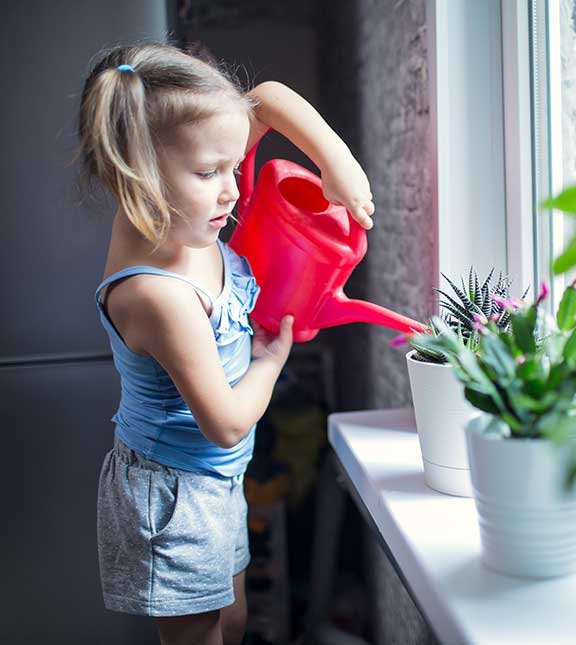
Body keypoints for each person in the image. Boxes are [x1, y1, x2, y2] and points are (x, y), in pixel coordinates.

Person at [77, 42, 374, 645]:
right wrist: (272, 359)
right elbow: (229, 423)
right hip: (174, 493)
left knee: (233, 620)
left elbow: (265, 98)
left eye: (232, 164)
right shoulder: (159, 295)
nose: (232, 190)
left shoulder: (182, 215)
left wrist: (338, 162)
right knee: (199, 636)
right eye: (209, 172)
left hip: (217, 482)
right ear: (137, 174)